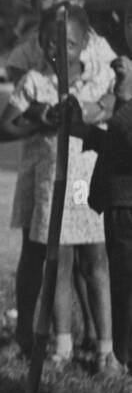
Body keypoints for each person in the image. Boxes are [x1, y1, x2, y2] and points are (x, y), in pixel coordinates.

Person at [0, 2, 116, 371]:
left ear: (86, 44)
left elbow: (117, 105)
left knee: (96, 263)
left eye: (69, 44)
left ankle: (106, 349)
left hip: (89, 187)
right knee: (57, 265)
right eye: (50, 43)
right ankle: (62, 346)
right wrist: (42, 122)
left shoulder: (99, 79)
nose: (59, 51)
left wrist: (92, 112)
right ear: (40, 42)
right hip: (52, 186)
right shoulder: (35, 82)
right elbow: (4, 128)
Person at [76, 48, 132, 371]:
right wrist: (83, 130)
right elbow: (118, 142)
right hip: (120, 203)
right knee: (123, 288)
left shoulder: (125, 88)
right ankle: (121, 360)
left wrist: (122, 99)